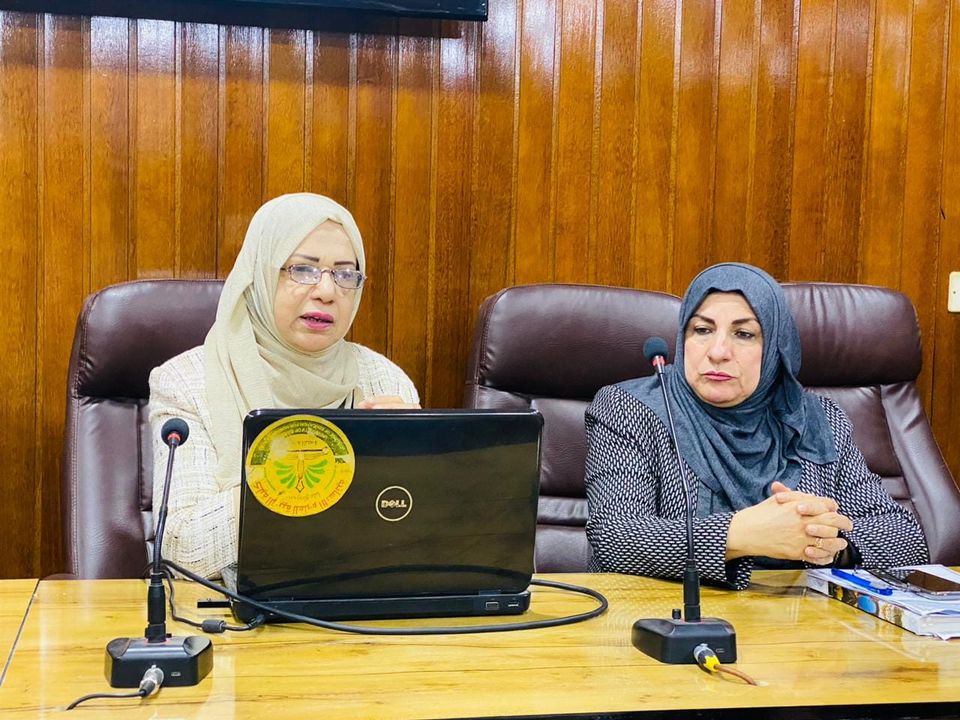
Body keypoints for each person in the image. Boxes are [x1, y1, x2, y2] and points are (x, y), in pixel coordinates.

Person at [584, 262, 929, 589]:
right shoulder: (630, 408)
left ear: (776, 348)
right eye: (702, 330)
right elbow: (614, 536)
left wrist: (831, 546)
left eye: (744, 334)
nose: (718, 351)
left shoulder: (817, 419)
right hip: (668, 618)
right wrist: (742, 534)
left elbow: (906, 539)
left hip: (800, 623)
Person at [149, 193, 419, 578]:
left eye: (345, 274)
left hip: (361, 595)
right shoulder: (188, 381)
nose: (327, 291)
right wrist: (310, 475)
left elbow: (420, 539)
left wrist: (419, 466)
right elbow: (181, 552)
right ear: (260, 274)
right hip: (242, 606)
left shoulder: (385, 380)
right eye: (303, 270)